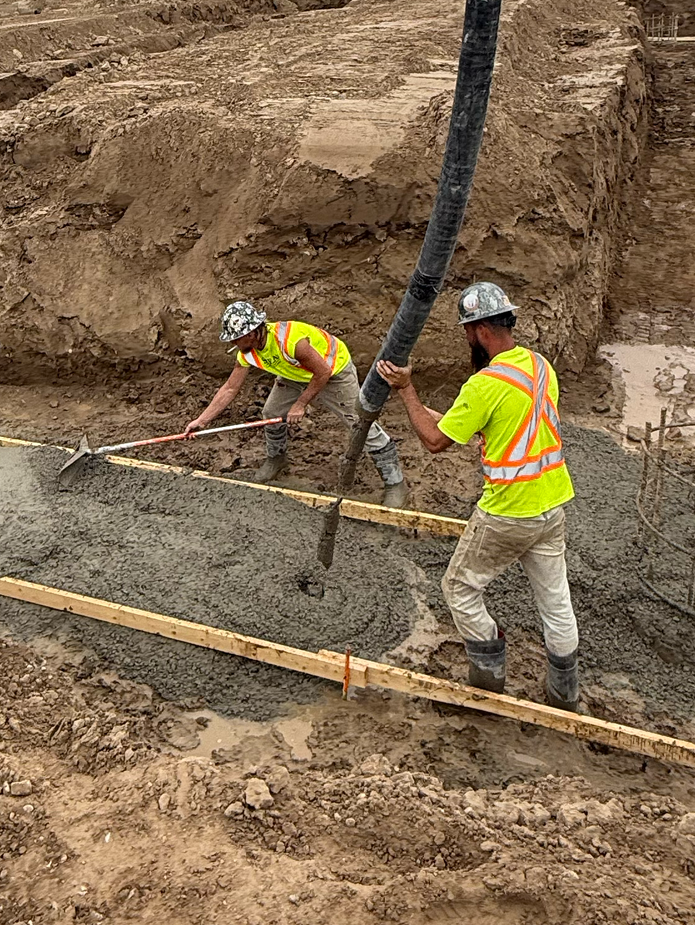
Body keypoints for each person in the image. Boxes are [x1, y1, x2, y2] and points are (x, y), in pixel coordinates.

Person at [375, 279, 580, 709]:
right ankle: (564, 693)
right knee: (556, 601)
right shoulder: (540, 366)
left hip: (508, 510)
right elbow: (464, 425)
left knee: (460, 589)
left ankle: (488, 679)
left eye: (467, 330)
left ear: (479, 329)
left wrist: (406, 390)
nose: (466, 338)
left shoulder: (485, 384)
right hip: (552, 504)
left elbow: (434, 441)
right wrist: (421, 407)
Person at [186, 300, 408, 508]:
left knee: (359, 423)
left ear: (252, 333)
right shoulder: (247, 351)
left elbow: (322, 372)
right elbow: (230, 388)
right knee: (272, 412)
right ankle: (277, 459)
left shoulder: (291, 341)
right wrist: (202, 420)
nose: (233, 344)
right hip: (294, 372)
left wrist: (301, 404)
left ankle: (394, 481)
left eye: (236, 338)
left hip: (333, 369)